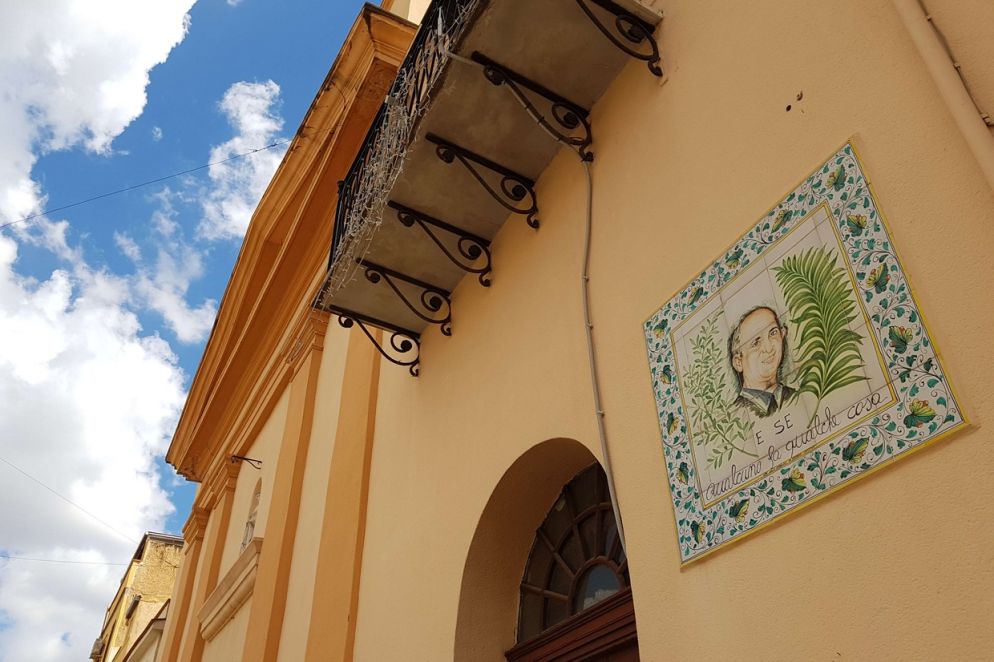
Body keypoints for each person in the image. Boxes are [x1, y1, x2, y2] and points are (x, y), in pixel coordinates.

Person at [727, 306, 796, 418]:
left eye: (773, 333)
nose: (769, 348)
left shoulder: (796, 396)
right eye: (755, 343)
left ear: (782, 334)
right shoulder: (736, 416)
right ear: (738, 362)